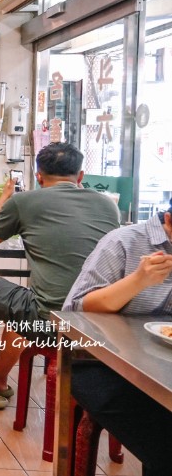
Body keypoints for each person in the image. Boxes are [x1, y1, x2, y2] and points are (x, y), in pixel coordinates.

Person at [0, 142, 120, 410]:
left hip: (51, 322)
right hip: (103, 324)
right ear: (80, 176)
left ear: (38, 176)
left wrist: (6, 196)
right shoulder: (108, 205)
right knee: (25, 303)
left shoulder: (24, 201)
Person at [60, 199, 172, 476]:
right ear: (169, 220)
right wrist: (138, 281)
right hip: (101, 363)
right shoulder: (125, 241)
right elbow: (75, 311)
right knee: (165, 442)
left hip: (163, 368)